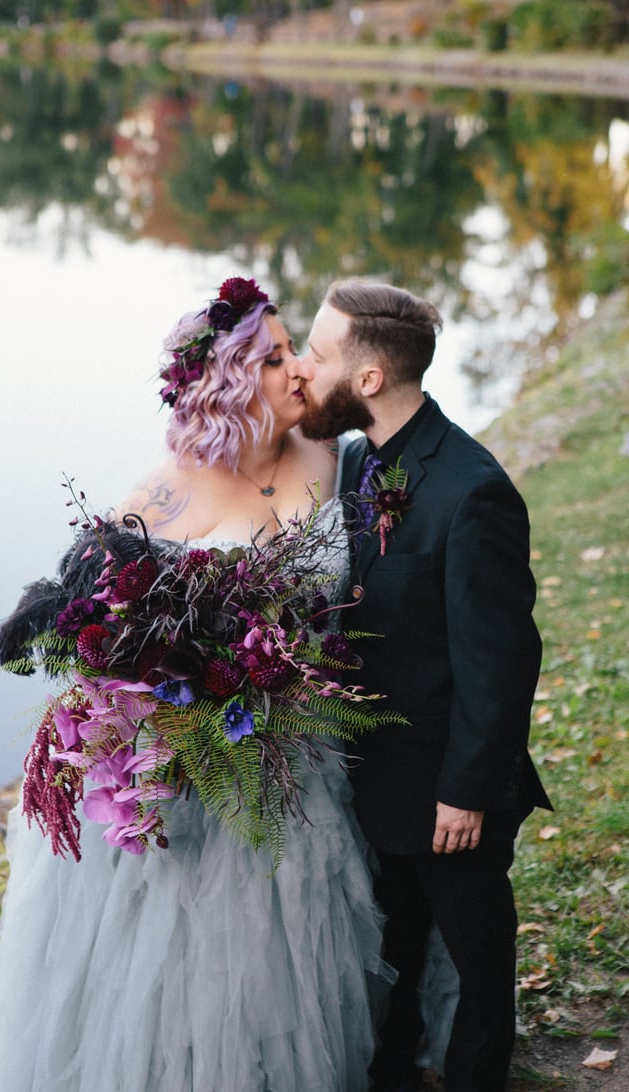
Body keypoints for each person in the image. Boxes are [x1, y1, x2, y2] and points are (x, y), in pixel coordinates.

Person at [0, 277, 395, 1092]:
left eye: (291, 354)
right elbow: (101, 632)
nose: (298, 373)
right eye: (277, 360)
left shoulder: (334, 457)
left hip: (295, 758)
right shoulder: (168, 491)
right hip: (198, 771)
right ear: (234, 383)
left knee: (285, 950)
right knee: (181, 959)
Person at [295, 279, 553, 1092]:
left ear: (368, 380)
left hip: (450, 792)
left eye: (318, 352)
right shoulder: (357, 460)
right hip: (376, 780)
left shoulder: (470, 490)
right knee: (397, 955)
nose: (305, 367)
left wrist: (468, 792)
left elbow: (501, 661)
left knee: (476, 956)